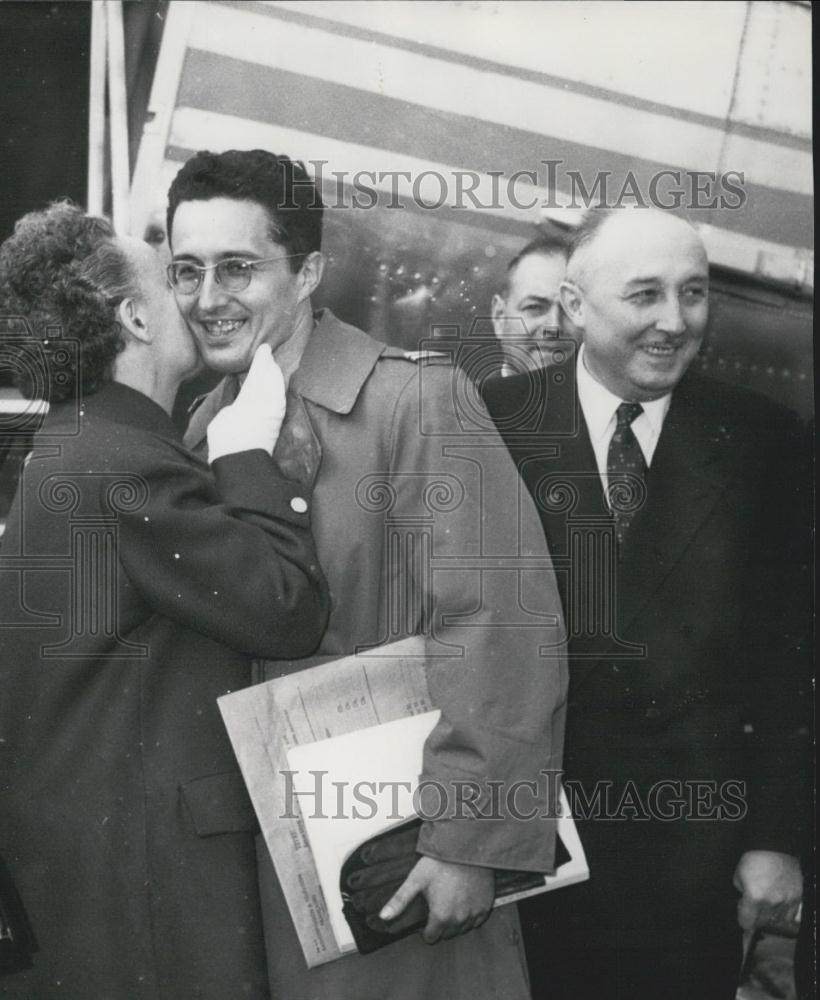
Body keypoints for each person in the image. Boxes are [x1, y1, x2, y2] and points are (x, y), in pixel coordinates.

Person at [166, 149, 568, 1000]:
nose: (207, 299)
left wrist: (466, 842)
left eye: (238, 268)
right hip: (270, 869)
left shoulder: (413, 402)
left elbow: (500, 622)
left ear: (309, 271)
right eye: (186, 271)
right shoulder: (205, 427)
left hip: (403, 859)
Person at [0, 201, 330, 998]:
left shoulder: (74, 446)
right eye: (170, 276)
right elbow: (289, 610)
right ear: (136, 317)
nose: (196, 298)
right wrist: (247, 453)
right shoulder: (127, 468)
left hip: (92, 887)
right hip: (150, 893)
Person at [482, 206, 811, 998]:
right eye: (645, 295)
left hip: (686, 868)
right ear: (574, 303)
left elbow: (793, 658)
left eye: (693, 294)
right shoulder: (493, 426)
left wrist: (777, 841)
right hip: (517, 854)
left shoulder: (765, 439)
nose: (674, 321)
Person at [489, 234, 574, 377]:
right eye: (535, 307)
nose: (554, 328)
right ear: (499, 317)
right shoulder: (467, 398)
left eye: (570, 308)